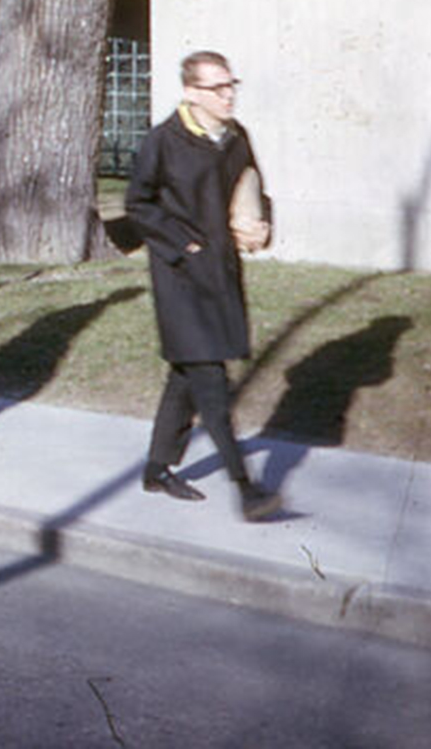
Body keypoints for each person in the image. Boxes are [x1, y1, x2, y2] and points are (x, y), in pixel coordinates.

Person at [125, 49, 283, 520]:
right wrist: (185, 246)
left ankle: (157, 469)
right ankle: (246, 488)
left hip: (220, 274)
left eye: (231, 83)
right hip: (179, 279)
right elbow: (138, 204)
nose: (228, 93)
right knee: (211, 383)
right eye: (217, 87)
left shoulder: (236, 139)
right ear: (191, 92)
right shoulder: (163, 141)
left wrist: (262, 225)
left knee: (187, 376)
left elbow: (253, 193)